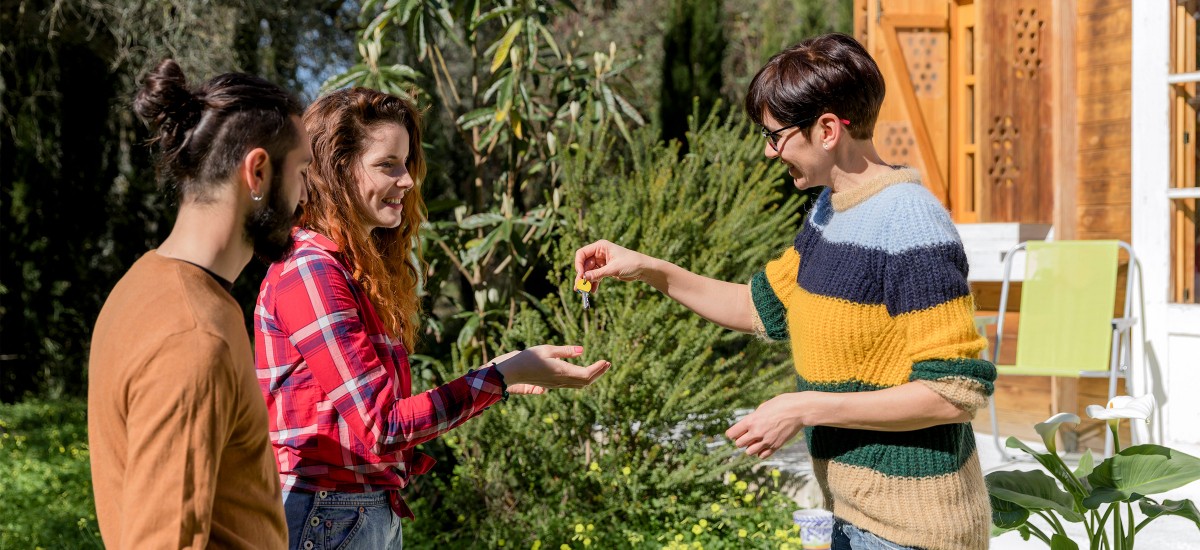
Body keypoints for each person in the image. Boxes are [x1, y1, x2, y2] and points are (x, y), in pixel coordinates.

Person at [574, 33, 996, 550]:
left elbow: (952, 393)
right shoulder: (830, 211)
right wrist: (644, 267)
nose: (770, 151)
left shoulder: (910, 221)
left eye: (776, 135)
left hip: (916, 531)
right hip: (855, 518)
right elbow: (758, 306)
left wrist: (803, 407)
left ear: (826, 129)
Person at [254, 87, 611, 550]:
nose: (407, 181)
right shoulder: (312, 271)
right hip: (326, 514)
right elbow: (383, 427)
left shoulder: (345, 268)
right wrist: (500, 376)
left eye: (406, 164)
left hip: (351, 511)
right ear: (336, 170)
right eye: (387, 165)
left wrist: (497, 373)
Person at [88, 59, 311, 548]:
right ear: (257, 171)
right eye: (301, 173)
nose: (304, 197)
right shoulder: (193, 337)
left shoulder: (145, 286)